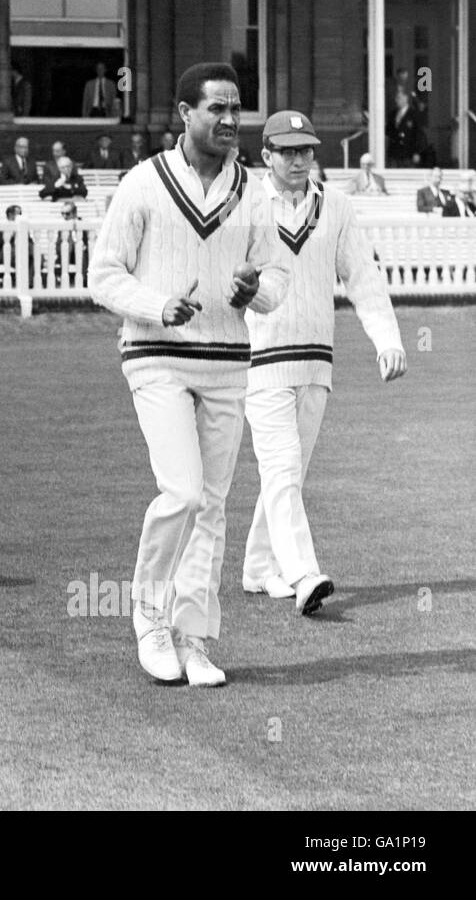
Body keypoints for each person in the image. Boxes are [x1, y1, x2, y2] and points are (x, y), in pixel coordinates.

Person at [89, 62, 289, 687]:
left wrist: (256, 289)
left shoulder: (254, 192)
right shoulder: (143, 184)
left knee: (213, 503)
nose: (231, 120)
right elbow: (104, 274)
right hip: (156, 355)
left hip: (228, 361)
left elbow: (276, 282)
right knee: (182, 491)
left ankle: (195, 636)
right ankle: (149, 615)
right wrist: (158, 306)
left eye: (237, 109)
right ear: (185, 114)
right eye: (217, 110)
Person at [243, 110, 405, 613]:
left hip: (316, 362)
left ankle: (258, 568)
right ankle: (304, 574)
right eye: (288, 151)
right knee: (283, 465)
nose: (299, 160)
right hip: (261, 361)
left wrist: (387, 339)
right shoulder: (245, 204)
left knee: (288, 474)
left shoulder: (335, 206)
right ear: (266, 155)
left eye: (306, 150)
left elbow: (362, 276)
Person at [386, 86, 425, 168]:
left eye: (398, 98)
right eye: (396, 98)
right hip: (394, 153)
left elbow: (418, 134)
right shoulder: (392, 114)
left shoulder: (414, 114)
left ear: (406, 98)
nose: (396, 100)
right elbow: (388, 132)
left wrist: (417, 152)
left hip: (408, 154)